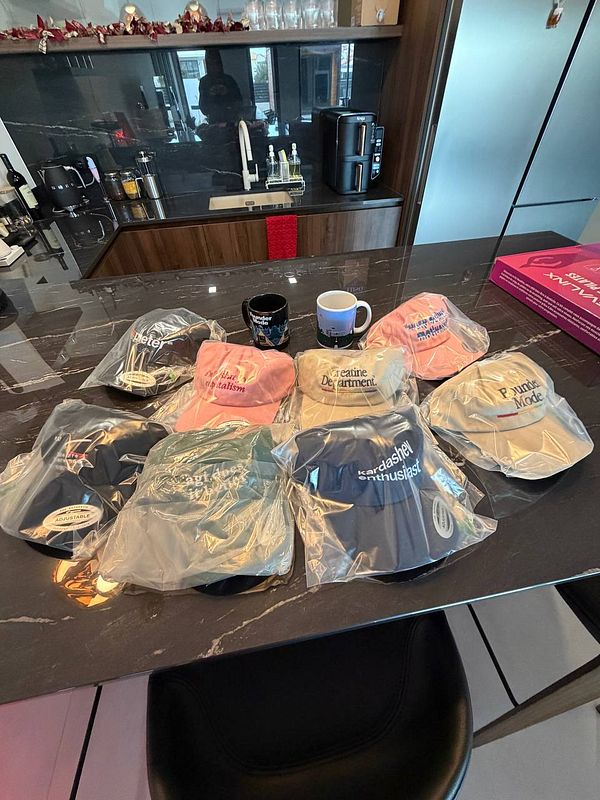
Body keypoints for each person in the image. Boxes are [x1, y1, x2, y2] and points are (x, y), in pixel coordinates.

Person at [198, 49, 243, 124]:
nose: (214, 66)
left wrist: (227, 93)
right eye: (211, 63)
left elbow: (239, 103)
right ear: (207, 64)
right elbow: (204, 109)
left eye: (216, 62)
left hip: (231, 121)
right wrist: (210, 94)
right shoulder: (204, 82)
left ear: (220, 63)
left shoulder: (229, 80)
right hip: (214, 124)